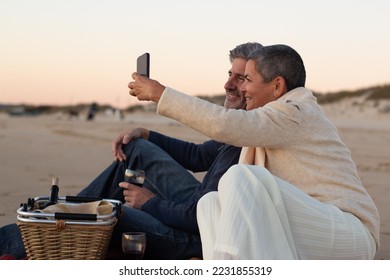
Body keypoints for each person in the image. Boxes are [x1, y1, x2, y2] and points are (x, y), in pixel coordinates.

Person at [0, 42, 263, 260]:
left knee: (109, 212)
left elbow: (202, 218)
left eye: (241, 78)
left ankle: (45, 228)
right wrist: (146, 133)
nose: (228, 85)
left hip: (197, 235)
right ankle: (61, 214)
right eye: (229, 74)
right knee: (136, 147)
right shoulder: (242, 127)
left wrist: (149, 202)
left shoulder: (252, 131)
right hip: (197, 206)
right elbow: (198, 156)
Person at [127, 44, 380, 259]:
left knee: (239, 177)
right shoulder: (265, 125)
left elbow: (225, 123)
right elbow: (205, 150)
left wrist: (160, 94)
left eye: (247, 80)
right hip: (304, 229)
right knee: (210, 203)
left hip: (349, 234)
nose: (242, 88)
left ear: (277, 86)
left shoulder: (294, 112)